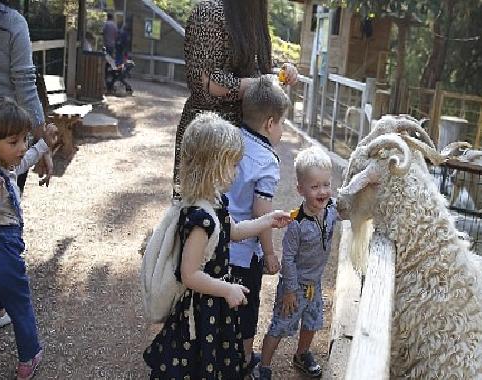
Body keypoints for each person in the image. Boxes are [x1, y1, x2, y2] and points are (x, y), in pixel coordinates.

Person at [142, 112, 292, 379]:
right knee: (199, 362)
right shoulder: (201, 219)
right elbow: (190, 275)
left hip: (215, 303)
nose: (237, 171)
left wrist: (266, 220)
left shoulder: (216, 201)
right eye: (233, 165)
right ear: (213, 165)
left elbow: (233, 231)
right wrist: (227, 289)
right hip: (200, 310)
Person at [172, 0, 299, 197]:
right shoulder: (209, 12)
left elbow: (255, 70)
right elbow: (206, 81)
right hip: (208, 137)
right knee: (199, 216)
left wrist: (281, 72)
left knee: (237, 220)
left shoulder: (253, 17)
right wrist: (262, 82)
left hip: (244, 139)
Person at [0, 0, 53, 331]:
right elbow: (25, 85)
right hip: (5, 137)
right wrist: (39, 140)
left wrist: (40, 146)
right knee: (2, 223)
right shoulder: (11, 23)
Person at [0, 96, 57, 379]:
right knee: (20, 305)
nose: (21, 147)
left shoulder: (3, 162)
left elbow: (23, 161)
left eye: (24, 139)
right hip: (1, 250)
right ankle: (29, 357)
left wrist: (43, 145)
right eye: (14, 142)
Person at [224, 75, 291, 375]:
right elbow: (261, 210)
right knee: (247, 308)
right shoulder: (267, 160)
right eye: (282, 123)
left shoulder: (229, 138)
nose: (282, 130)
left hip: (216, 241)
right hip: (243, 251)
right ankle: (244, 360)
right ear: (269, 123)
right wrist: (270, 253)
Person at [255, 146, 339, 380]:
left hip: (315, 283)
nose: (322, 191)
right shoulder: (296, 223)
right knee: (280, 326)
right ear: (300, 189)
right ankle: (264, 366)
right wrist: (290, 290)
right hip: (295, 286)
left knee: (312, 322)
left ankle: (301, 354)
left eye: (326, 184)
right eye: (315, 187)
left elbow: (352, 208)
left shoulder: (331, 209)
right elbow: (288, 258)